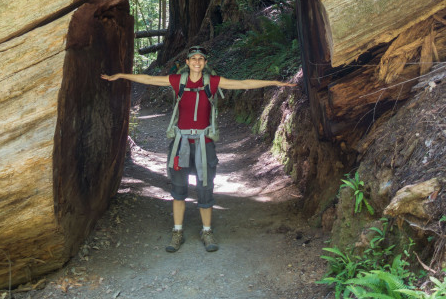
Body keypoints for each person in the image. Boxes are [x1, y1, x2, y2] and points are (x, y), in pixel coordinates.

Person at [101, 45, 298, 253]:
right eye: (193, 59)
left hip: (205, 143)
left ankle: (207, 231)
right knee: (178, 190)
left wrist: (275, 82)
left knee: (205, 188)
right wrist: (121, 75)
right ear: (187, 62)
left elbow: (243, 83)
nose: (197, 62)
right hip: (181, 143)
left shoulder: (212, 82)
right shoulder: (178, 81)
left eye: (201, 59)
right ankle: (177, 232)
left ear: (204, 63)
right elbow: (148, 79)